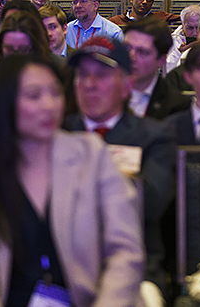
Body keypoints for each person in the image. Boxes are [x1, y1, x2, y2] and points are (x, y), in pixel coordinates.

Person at [0, 55, 144, 307]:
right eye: (34, 96)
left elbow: (125, 251)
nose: (49, 105)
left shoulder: (91, 155)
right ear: (4, 103)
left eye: (55, 93)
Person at [64, 36, 174, 303]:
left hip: (137, 269)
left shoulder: (155, 136)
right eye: (82, 75)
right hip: (64, 269)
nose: (89, 85)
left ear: (127, 85)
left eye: (101, 75)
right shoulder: (58, 134)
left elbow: (149, 202)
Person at [123, 18, 190, 119]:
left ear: (161, 60)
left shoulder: (177, 105)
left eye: (142, 52)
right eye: (126, 48)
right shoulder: (102, 92)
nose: (131, 57)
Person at [0, 10, 54, 86]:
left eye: (23, 50)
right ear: (0, 48)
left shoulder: (51, 81)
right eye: (10, 49)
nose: (15, 56)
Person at [165, 4, 200, 74]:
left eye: (198, 27)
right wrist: (179, 52)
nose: (194, 33)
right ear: (182, 24)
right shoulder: (170, 41)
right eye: (190, 28)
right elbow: (167, 72)